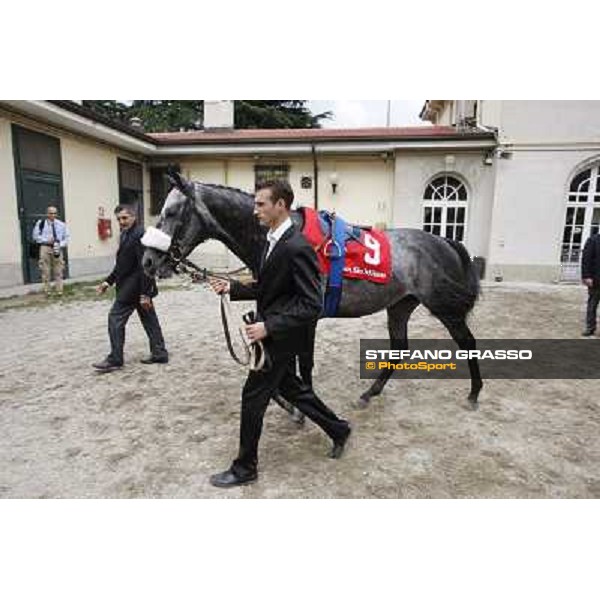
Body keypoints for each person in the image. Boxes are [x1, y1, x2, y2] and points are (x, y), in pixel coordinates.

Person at [207, 180, 351, 488]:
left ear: (280, 206)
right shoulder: (272, 240)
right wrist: (232, 287)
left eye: (261, 204)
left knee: (252, 397)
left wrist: (268, 326)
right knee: (294, 390)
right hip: (275, 335)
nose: (254, 209)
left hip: (280, 338)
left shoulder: (298, 246)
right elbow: (268, 287)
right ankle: (338, 429)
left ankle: (245, 468)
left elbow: (312, 303)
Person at [92, 205, 168, 372]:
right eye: (119, 219)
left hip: (134, 288)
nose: (121, 222)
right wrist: (107, 282)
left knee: (115, 318)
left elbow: (146, 266)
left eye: (125, 218)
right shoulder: (127, 234)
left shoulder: (139, 235)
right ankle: (159, 353)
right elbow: (122, 265)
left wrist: (145, 294)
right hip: (134, 287)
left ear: (134, 217)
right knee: (149, 319)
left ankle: (115, 359)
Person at [32, 205, 70, 296]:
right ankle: (47, 291)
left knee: (58, 269)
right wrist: (46, 240)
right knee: (45, 270)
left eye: (54, 213)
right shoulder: (41, 223)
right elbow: (35, 236)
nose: (53, 215)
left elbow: (67, 238)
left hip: (57, 247)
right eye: (51, 213)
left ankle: (59, 290)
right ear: (47, 213)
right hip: (45, 247)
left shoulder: (61, 224)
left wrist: (60, 244)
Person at [581, 231, 600, 335]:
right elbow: (586, 260)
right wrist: (586, 276)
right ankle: (590, 327)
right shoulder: (593, 240)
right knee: (592, 305)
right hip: (596, 280)